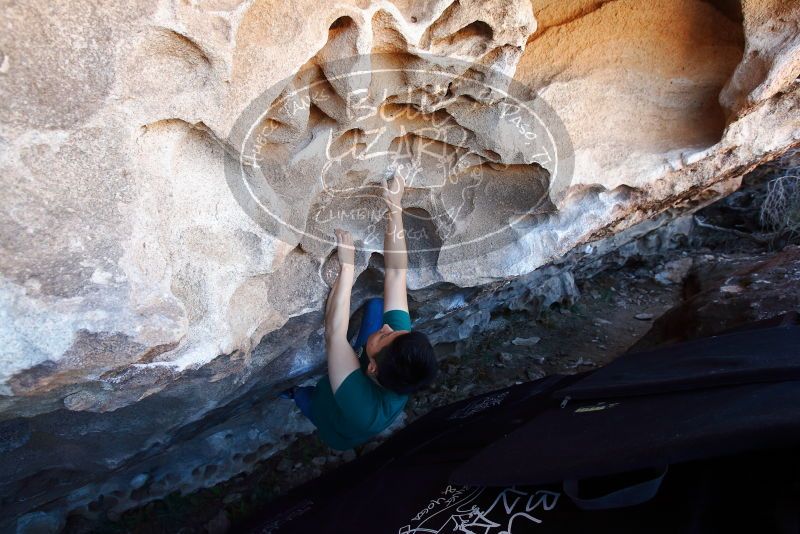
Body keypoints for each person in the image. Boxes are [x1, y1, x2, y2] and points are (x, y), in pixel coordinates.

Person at [283, 170, 438, 450]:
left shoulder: (363, 408)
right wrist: (395, 207)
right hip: (366, 369)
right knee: (378, 306)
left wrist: (348, 269)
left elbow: (334, 334)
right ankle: (357, 350)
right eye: (396, 332)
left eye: (386, 336)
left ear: (372, 367)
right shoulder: (401, 354)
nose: (390, 328)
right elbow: (395, 274)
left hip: (334, 419)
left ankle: (292, 394)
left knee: (308, 399)